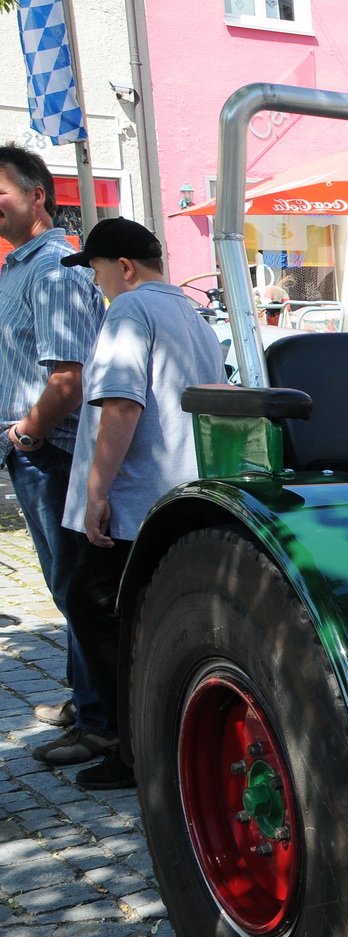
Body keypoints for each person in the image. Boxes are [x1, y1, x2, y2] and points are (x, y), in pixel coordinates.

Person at [54, 219, 227, 788]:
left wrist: (96, 490)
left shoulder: (128, 310)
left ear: (123, 267)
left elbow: (121, 406)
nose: (98, 284)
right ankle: (147, 744)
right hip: (176, 488)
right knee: (138, 621)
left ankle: (131, 751)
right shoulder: (190, 312)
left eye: (99, 271)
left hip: (135, 501)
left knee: (99, 611)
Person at [0, 144, 110, 760]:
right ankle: (83, 696)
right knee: (66, 584)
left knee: (78, 587)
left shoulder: (57, 269)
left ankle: (100, 724)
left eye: (1, 194)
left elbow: (70, 380)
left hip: (55, 452)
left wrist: (26, 434)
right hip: (36, 450)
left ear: (37, 195)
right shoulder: (20, 266)